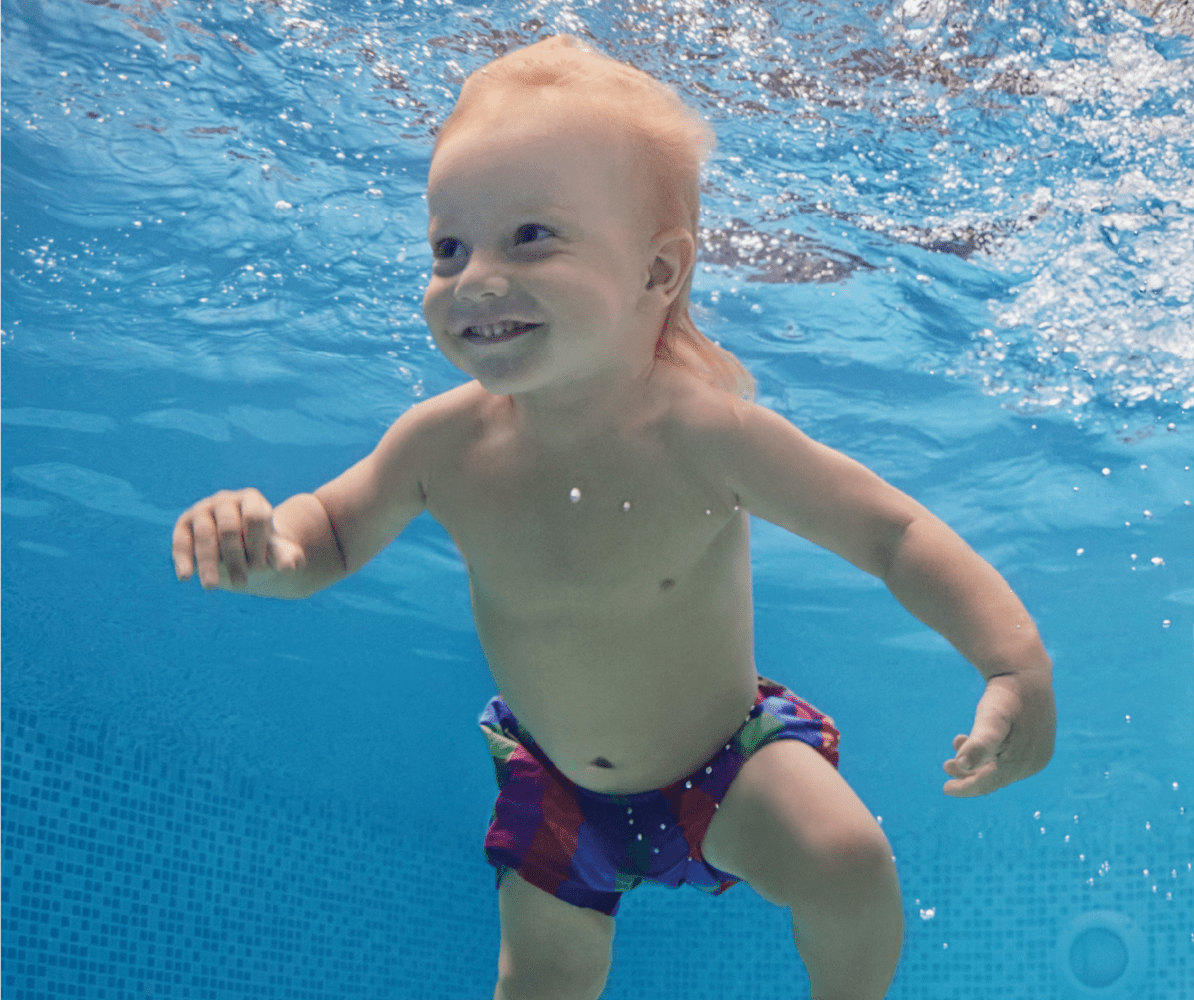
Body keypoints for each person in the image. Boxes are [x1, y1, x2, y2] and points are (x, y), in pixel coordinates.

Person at [171, 35, 1056, 1000]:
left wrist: (1015, 663)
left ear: (657, 272)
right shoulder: (440, 445)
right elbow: (332, 533)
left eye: (530, 237)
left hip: (726, 767)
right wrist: (273, 545)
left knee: (848, 864)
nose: (473, 278)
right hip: (557, 786)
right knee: (541, 980)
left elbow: (892, 535)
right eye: (448, 246)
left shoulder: (707, 435)